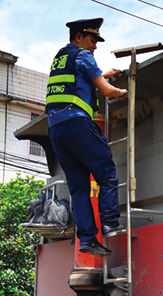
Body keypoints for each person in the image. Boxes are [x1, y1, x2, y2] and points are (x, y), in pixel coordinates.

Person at [45, 18, 127, 257]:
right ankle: (111, 223)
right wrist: (122, 91)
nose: (95, 46)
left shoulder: (61, 58)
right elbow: (106, 90)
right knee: (107, 174)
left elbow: (78, 80)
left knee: (79, 187)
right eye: (93, 40)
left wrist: (103, 74)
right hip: (78, 124)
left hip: (56, 130)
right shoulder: (83, 56)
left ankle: (87, 239)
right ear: (79, 37)